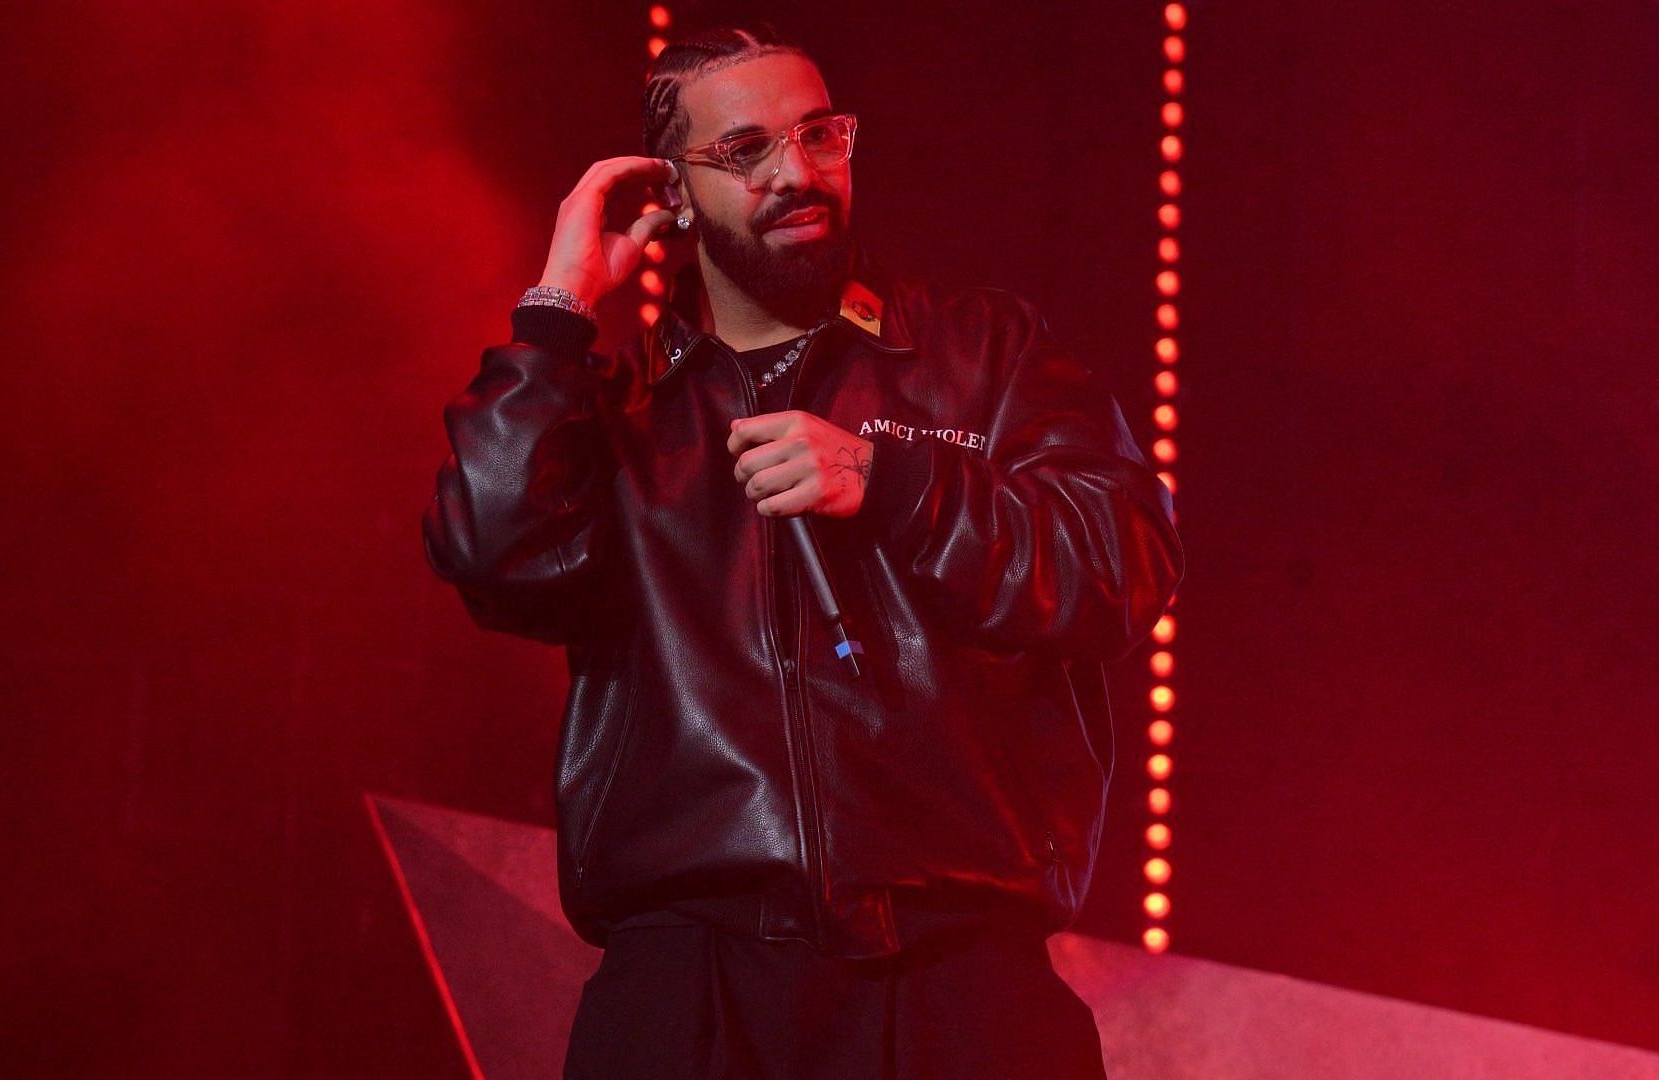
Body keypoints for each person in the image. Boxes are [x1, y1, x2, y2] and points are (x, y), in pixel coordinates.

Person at [423, 23, 1184, 1079]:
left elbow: (1120, 564)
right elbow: (490, 553)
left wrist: (892, 483)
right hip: (690, 981)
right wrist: (559, 303)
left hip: (955, 970)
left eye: (818, 134)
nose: (797, 172)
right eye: (744, 152)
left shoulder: (983, 354)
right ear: (675, 192)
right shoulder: (618, 414)